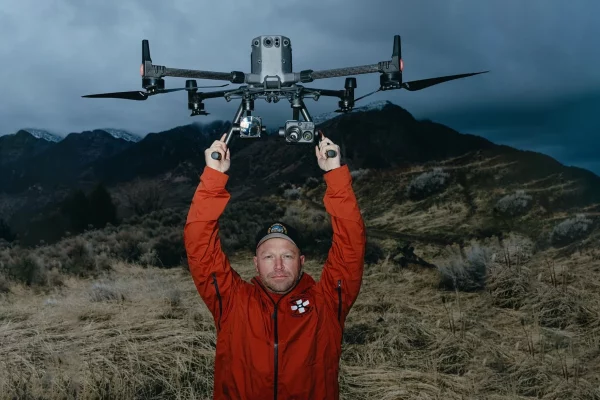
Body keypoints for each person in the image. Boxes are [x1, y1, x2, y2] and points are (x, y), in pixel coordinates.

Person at [183, 132, 366, 400]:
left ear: (301, 262)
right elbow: (199, 245)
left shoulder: (327, 302)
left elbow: (351, 246)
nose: (279, 265)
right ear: (256, 263)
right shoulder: (232, 301)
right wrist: (212, 178)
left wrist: (335, 175)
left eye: (288, 256)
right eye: (269, 257)